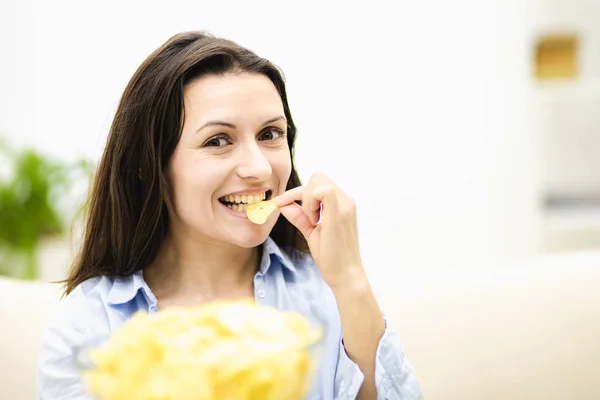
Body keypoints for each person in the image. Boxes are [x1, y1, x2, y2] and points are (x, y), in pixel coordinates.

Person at [36, 31, 422, 400]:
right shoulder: (86, 326)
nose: (258, 168)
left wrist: (350, 278)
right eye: (218, 141)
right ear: (148, 168)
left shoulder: (329, 295)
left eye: (271, 134)